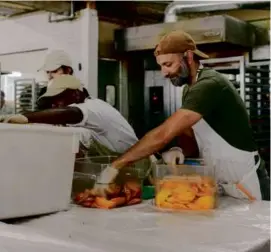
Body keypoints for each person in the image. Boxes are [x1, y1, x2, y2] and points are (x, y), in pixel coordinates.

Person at [94, 30, 270, 201]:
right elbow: (191, 136)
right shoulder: (189, 89)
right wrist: (181, 150)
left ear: (189, 57)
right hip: (221, 181)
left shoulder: (210, 84)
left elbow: (163, 134)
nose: (164, 73)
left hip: (246, 181)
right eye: (161, 66)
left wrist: (115, 166)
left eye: (168, 64)